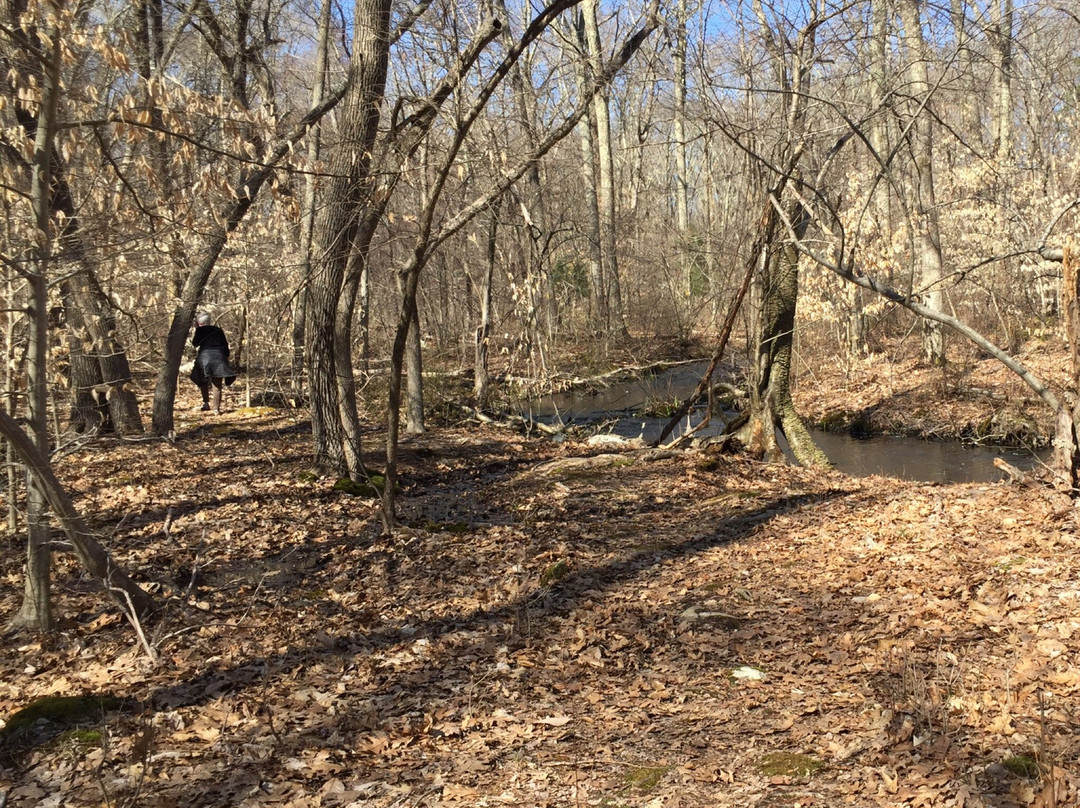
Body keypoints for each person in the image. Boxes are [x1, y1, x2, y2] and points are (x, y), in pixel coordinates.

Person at [190, 311, 237, 414]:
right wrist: (226, 357)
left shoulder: (199, 331)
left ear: (199, 323)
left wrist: (197, 330)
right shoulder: (218, 330)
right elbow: (225, 345)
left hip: (204, 358)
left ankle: (206, 403)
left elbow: (195, 343)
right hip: (219, 358)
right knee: (217, 384)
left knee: (203, 380)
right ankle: (216, 409)